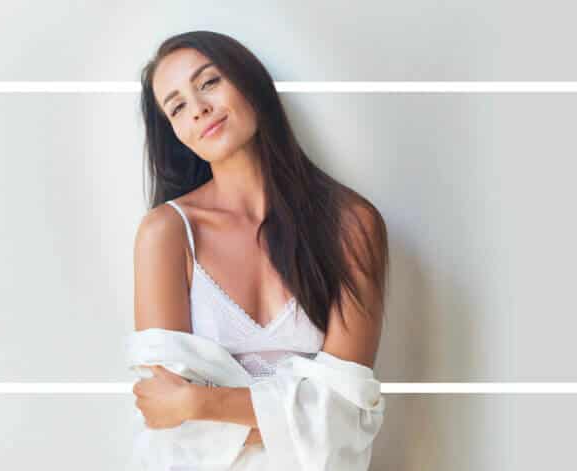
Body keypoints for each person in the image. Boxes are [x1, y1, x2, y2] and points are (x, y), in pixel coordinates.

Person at [130, 30, 390, 469]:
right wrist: (304, 420)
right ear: (175, 132)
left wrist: (202, 402)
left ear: (248, 80)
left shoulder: (352, 225)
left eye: (208, 82)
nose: (199, 109)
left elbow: (347, 414)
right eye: (177, 106)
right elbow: (168, 418)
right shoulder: (168, 234)